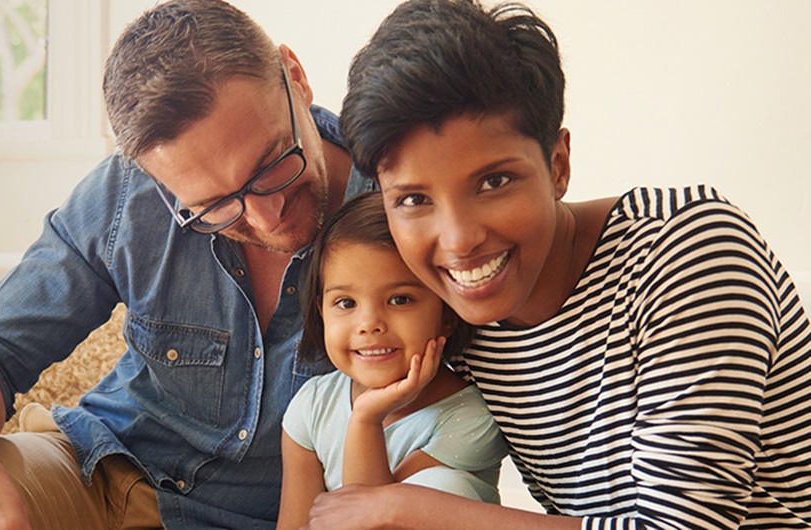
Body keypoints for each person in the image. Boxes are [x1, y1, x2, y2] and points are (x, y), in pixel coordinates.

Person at [0, 0, 377, 528]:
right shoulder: (128, 197)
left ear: (294, 76)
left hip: (274, 515)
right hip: (105, 473)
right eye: (215, 205)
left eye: (272, 160)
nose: (268, 218)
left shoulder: (399, 202)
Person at [303, 0, 811, 528]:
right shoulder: (456, 312)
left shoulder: (685, 248)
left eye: (493, 182)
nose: (459, 241)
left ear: (558, 165)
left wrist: (412, 508)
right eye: (413, 199)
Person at [276, 192, 506, 530]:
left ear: (447, 314)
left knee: (444, 488)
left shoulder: (470, 417)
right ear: (320, 312)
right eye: (345, 302)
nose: (369, 323)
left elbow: (375, 519)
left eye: (400, 299)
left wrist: (367, 418)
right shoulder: (312, 406)